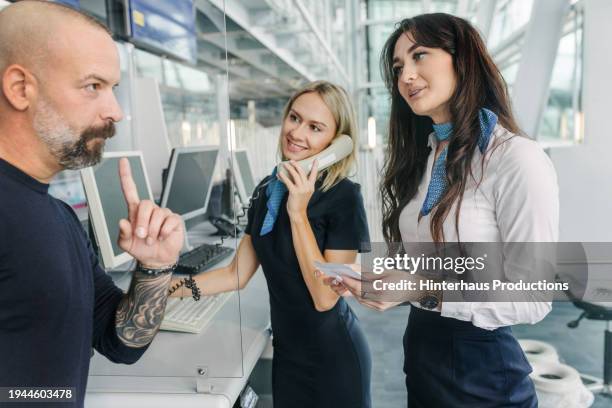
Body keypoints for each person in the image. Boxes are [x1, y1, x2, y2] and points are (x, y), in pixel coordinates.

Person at [323, 13, 559, 408]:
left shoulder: (517, 159)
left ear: (462, 59)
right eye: (398, 68)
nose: (406, 76)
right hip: (422, 353)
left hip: (482, 370)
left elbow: (535, 295)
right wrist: (387, 280)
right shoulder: (429, 155)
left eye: (419, 56)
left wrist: (423, 289)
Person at [0, 2, 184, 406]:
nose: (114, 112)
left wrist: (154, 267)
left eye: (113, 89)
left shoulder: (58, 215)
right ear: (19, 88)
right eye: (93, 86)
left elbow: (120, 340)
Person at [171, 81, 372, 408]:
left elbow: (324, 297)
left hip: (332, 358)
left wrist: (298, 213)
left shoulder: (344, 198)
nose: (297, 132)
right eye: (294, 118)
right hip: (288, 354)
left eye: (315, 127)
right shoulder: (267, 189)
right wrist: (158, 289)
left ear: (336, 143)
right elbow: (235, 274)